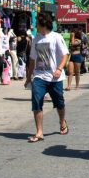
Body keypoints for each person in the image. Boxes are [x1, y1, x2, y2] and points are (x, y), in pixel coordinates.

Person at [24, 12, 69, 142]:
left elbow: (65, 54)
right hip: (39, 76)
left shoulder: (56, 37)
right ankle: (39, 132)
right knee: (36, 101)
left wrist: (59, 69)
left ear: (44, 25)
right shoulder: (36, 38)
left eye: (37, 23)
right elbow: (32, 60)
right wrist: (28, 77)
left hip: (55, 77)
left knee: (59, 103)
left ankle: (62, 122)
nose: (35, 25)